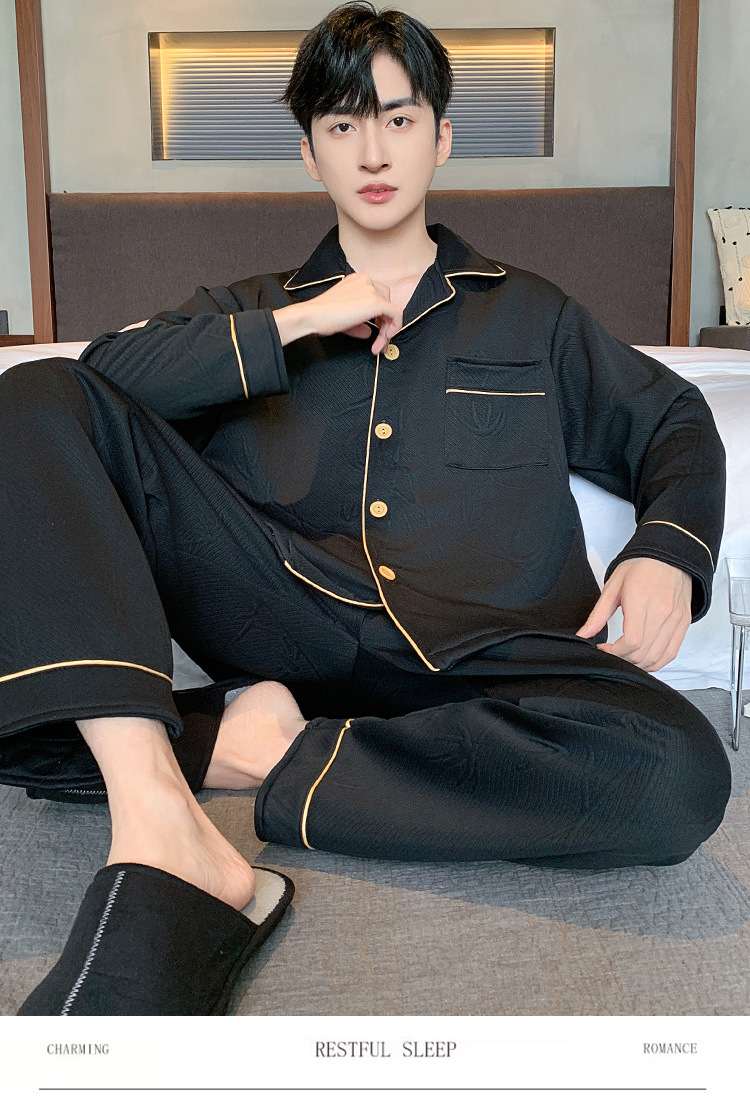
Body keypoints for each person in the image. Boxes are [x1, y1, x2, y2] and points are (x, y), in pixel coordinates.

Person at [1, 2, 731, 1016]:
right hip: (283, 605)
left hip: (494, 648)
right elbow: (99, 381)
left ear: (441, 136)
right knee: (28, 394)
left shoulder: (534, 314)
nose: (374, 151)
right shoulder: (253, 304)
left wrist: (668, 549)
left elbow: (675, 418)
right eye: (342, 125)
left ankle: (257, 749)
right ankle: (156, 815)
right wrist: (300, 321)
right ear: (310, 153)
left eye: (397, 118)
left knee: (680, 774)